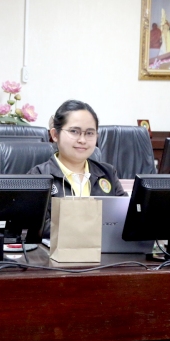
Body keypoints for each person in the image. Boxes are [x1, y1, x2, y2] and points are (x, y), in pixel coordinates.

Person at [29, 100, 126, 238]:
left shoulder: (107, 173)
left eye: (90, 133)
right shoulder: (38, 176)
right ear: (55, 135)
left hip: (106, 251)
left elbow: (125, 217)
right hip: (55, 251)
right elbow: (36, 226)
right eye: (74, 131)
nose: (82, 140)